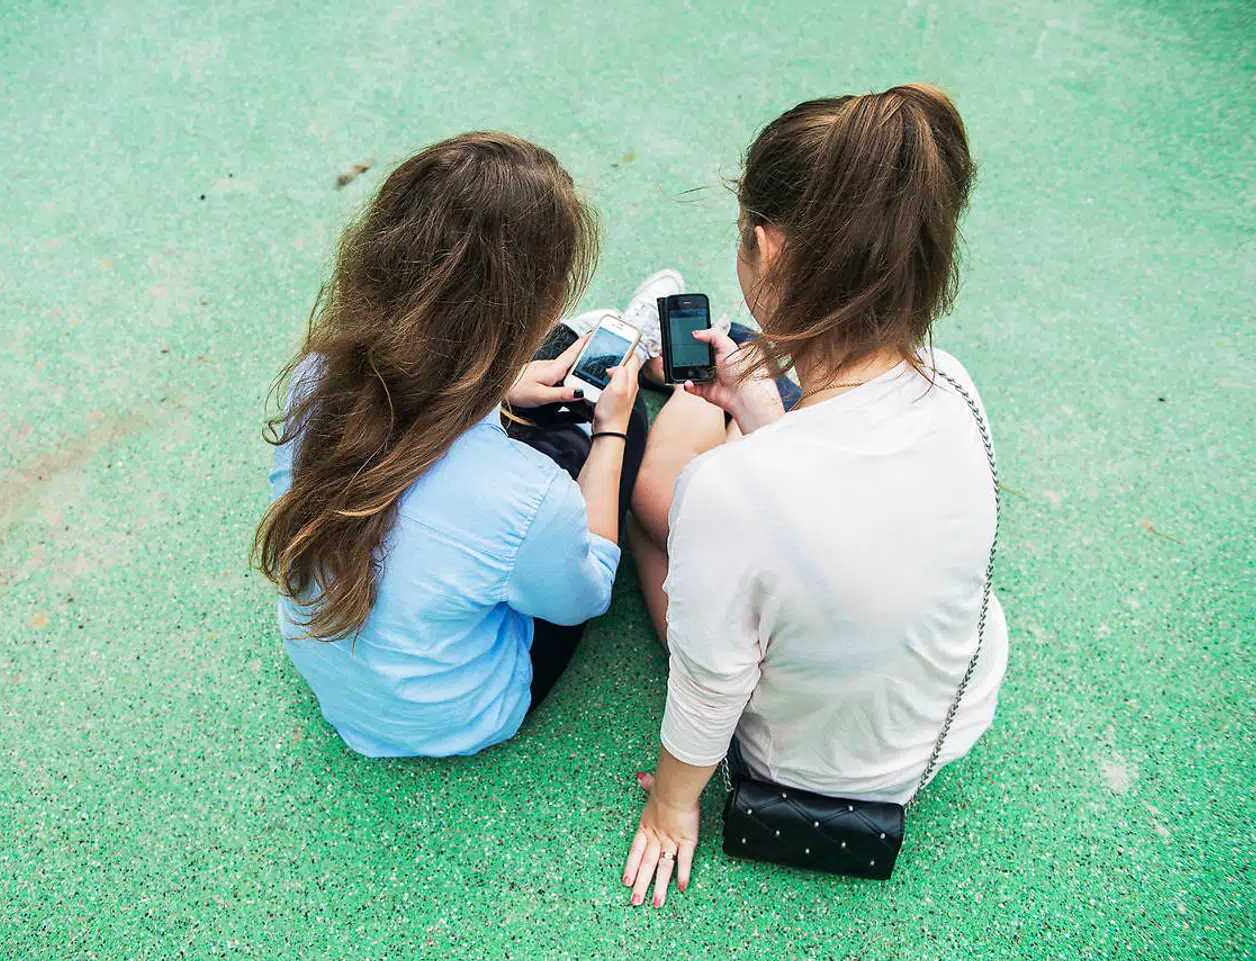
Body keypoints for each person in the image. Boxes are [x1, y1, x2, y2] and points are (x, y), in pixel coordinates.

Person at [620, 85, 1008, 907]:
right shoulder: (956, 392)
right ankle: (726, 396)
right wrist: (765, 420)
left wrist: (671, 804)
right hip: (934, 733)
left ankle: (660, 376)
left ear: (770, 252)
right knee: (738, 473)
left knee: (658, 508)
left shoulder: (731, 492)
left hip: (795, 769)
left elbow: (709, 683)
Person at [255, 132, 656, 758]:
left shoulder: (312, 380)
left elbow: (410, 457)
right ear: (531, 310)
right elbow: (584, 597)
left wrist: (498, 397)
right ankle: (617, 377)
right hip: (460, 714)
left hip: (333, 670)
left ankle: (545, 369)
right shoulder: (529, 495)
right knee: (610, 433)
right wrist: (610, 429)